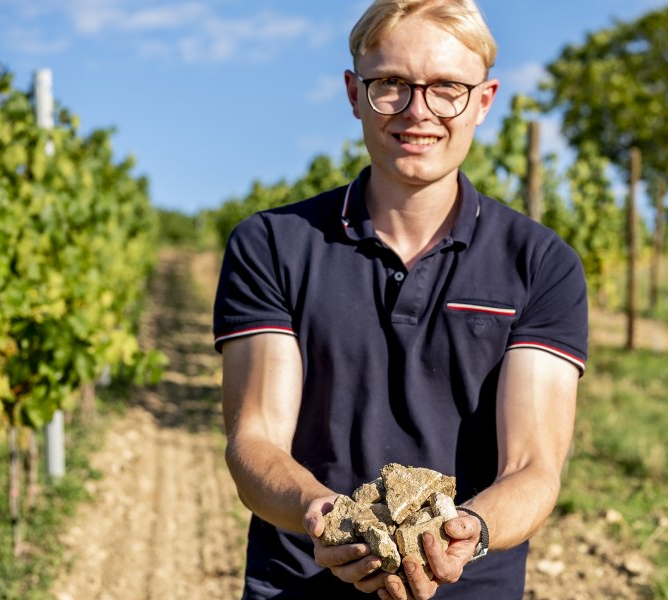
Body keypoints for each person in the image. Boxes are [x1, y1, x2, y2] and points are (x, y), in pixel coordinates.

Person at [213, 1, 587, 598]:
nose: (419, 112)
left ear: (484, 101)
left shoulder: (541, 264)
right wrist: (323, 515)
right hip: (298, 585)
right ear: (354, 93)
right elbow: (254, 439)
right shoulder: (271, 245)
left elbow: (533, 466)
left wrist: (472, 532)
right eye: (391, 85)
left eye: (447, 89)